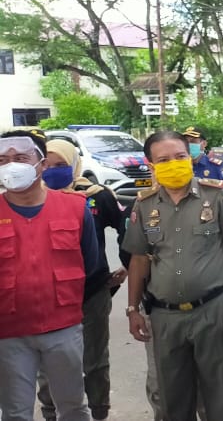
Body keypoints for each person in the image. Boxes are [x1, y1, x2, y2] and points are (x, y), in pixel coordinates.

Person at [122, 130, 223, 421]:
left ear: (191, 156)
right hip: (165, 317)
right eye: (164, 159)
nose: (174, 163)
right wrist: (132, 309)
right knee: (172, 402)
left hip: (213, 311)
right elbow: (139, 259)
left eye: (180, 156)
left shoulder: (217, 194)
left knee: (221, 400)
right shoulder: (144, 205)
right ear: (151, 164)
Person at [0, 130, 98, 421]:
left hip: (63, 329)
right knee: (15, 413)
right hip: (9, 333)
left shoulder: (75, 207)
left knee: (73, 408)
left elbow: (90, 265)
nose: (11, 165)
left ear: (41, 163)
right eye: (3, 159)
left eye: (20, 158)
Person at [36, 139, 128, 421]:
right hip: (47, 295)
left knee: (95, 362)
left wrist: (126, 267)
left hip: (91, 291)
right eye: (48, 166)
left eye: (61, 165)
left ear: (74, 164)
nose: (53, 171)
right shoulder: (30, 197)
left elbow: (125, 230)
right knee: (48, 363)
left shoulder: (96, 195)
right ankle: (52, 413)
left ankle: (98, 412)